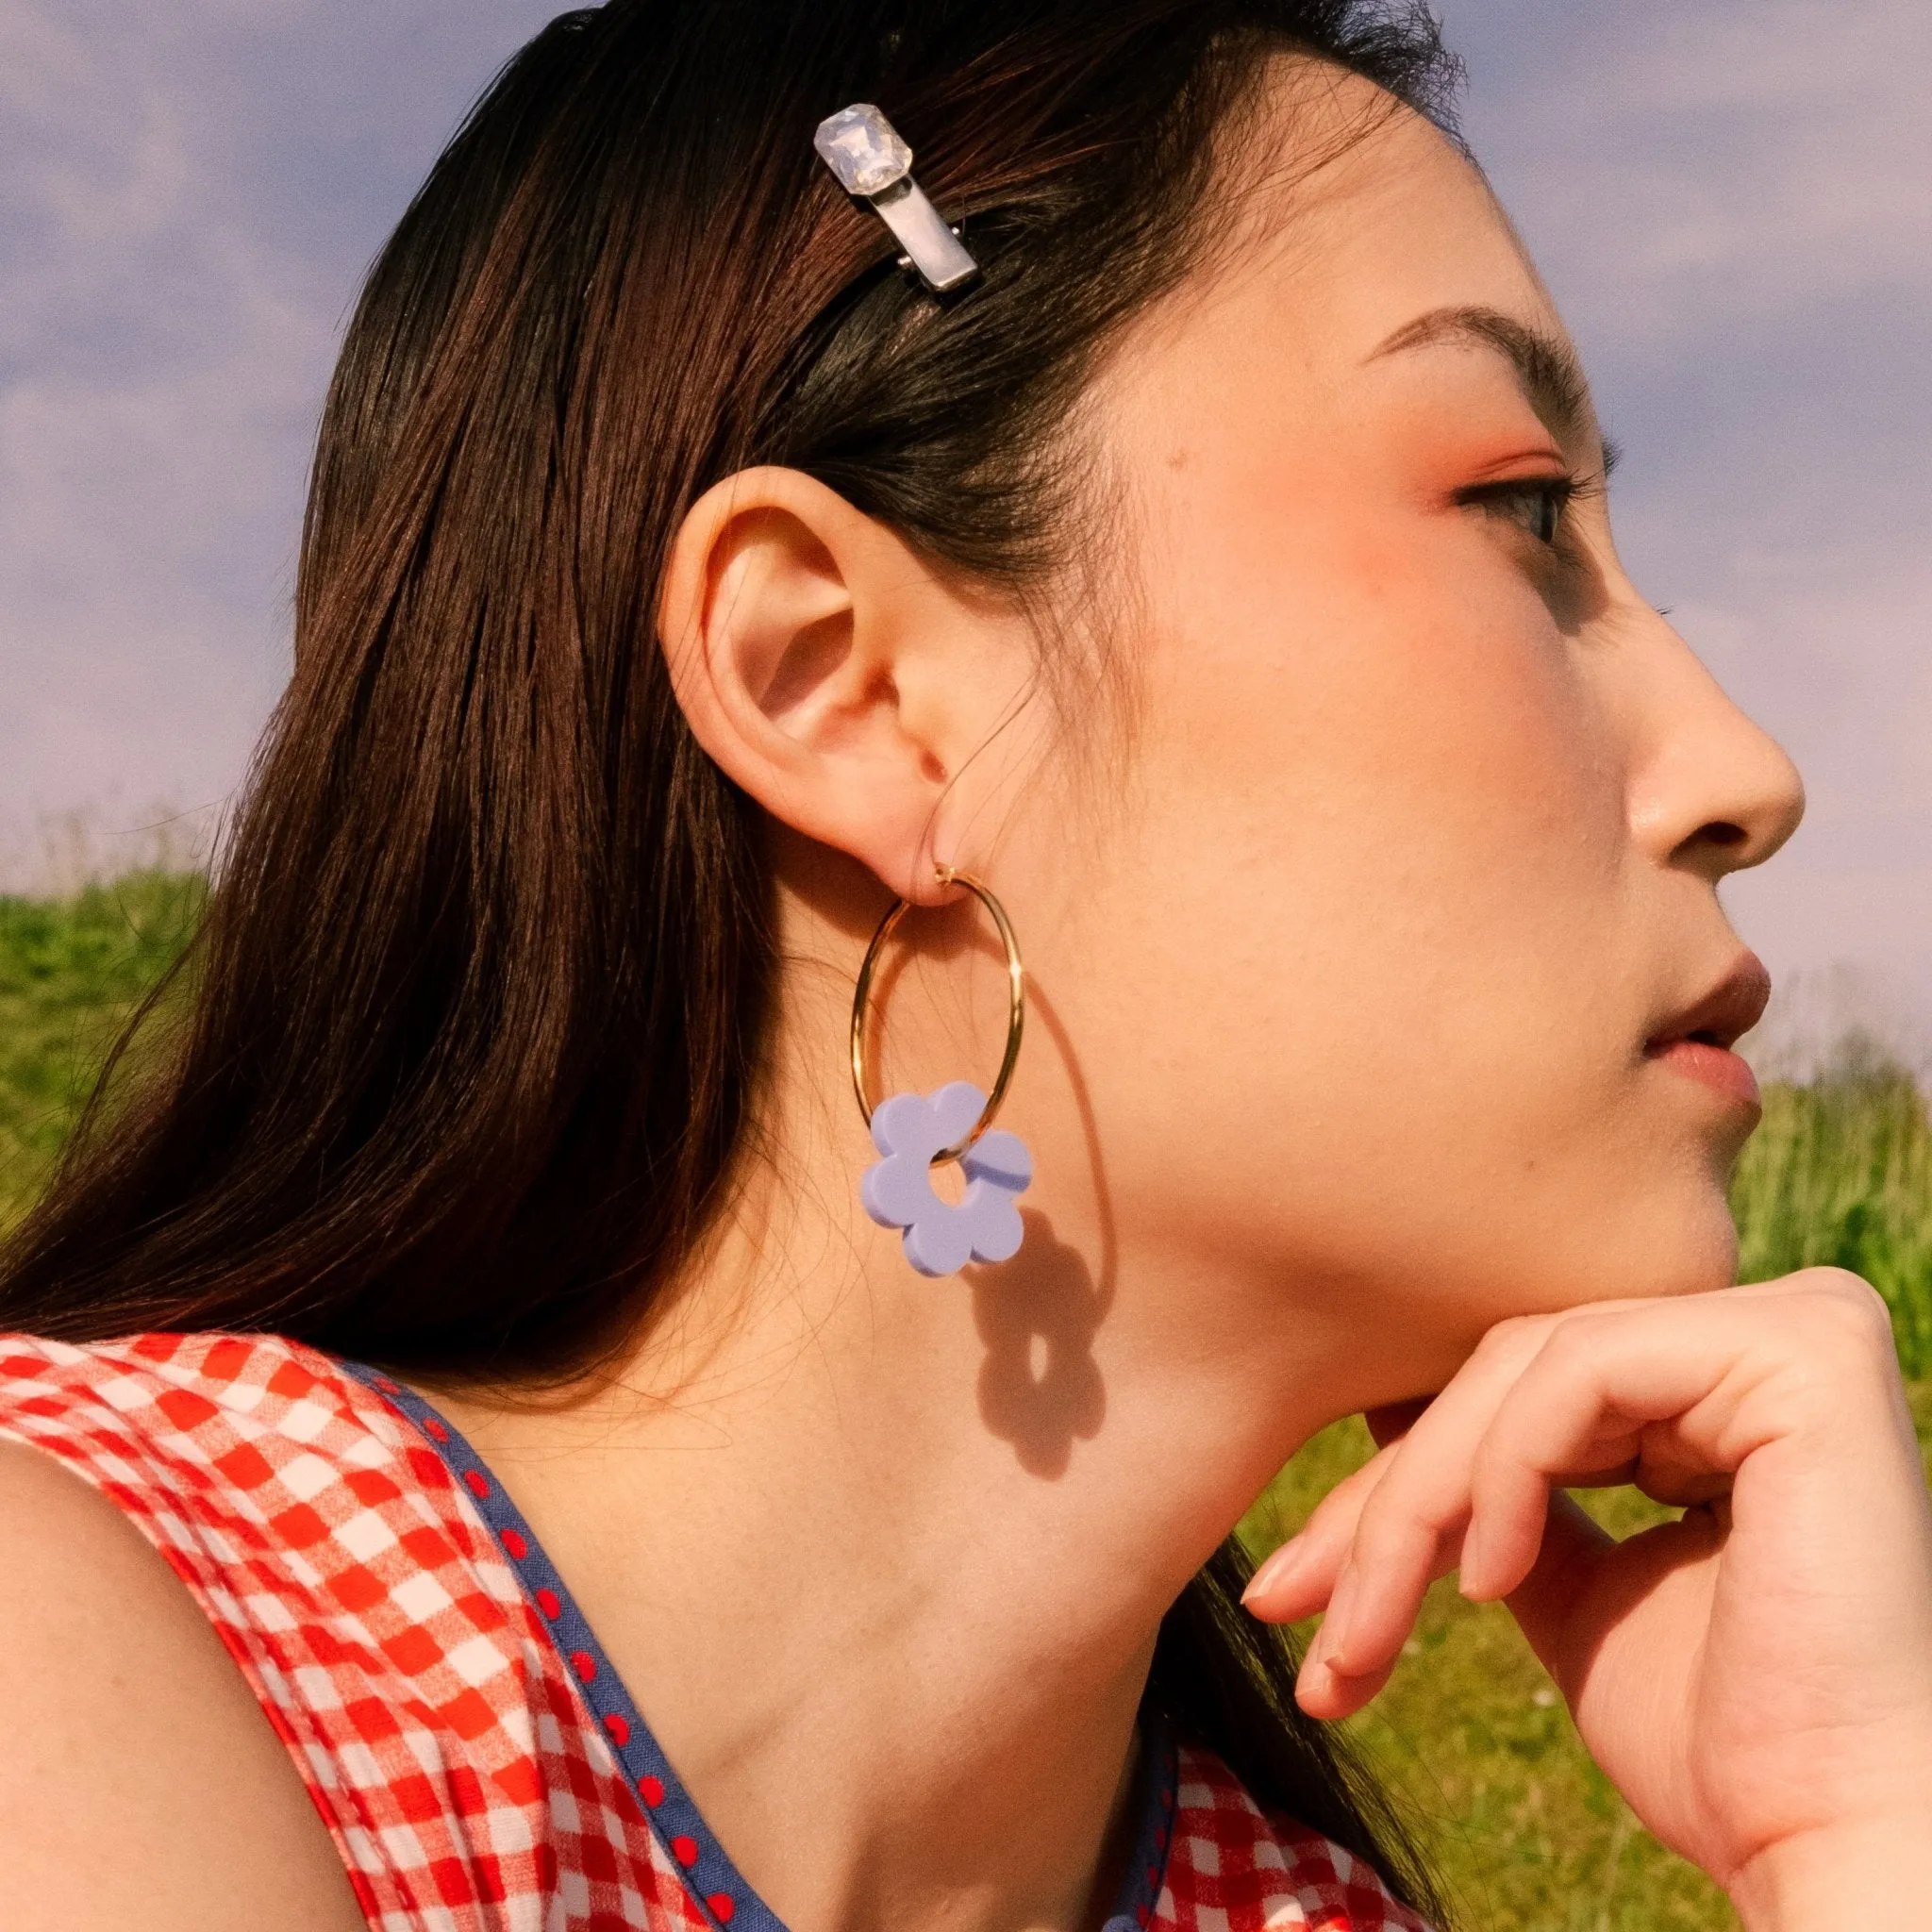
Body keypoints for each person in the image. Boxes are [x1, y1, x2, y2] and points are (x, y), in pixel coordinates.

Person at [2, 2, 1927, 1926]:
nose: (1746, 775)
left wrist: (1861, 1838)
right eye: (1517, 513)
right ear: (847, 689)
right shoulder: (77, 1669)